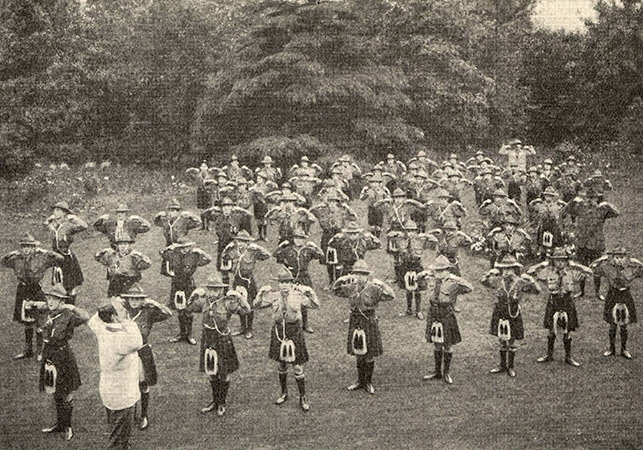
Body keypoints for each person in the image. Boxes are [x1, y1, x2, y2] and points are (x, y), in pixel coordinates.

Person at [254, 269, 320, 411]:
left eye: (287, 282)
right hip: (279, 331)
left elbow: (315, 305)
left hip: (294, 331)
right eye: (282, 282)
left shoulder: (298, 295)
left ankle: (303, 397)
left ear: (291, 283)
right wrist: (260, 293)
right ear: (278, 284)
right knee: (282, 365)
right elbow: (256, 305)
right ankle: (284, 393)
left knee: (297, 366)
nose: (284, 285)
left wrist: (309, 291)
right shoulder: (273, 296)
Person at [188, 274, 250, 416]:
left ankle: (222, 402)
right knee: (211, 372)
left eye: (216, 290)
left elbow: (246, 310)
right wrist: (193, 295)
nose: (212, 293)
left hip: (222, 339)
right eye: (210, 289)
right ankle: (215, 401)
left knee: (224, 372)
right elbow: (188, 308)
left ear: (221, 290)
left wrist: (239, 297)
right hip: (207, 339)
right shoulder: (203, 302)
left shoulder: (227, 303)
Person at [331, 260, 395, 395]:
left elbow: (391, 296)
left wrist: (382, 284)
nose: (359, 277)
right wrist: (341, 279)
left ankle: (368, 382)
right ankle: (360, 381)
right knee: (358, 353)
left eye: (363, 274)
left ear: (367, 276)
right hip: (355, 321)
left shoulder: (374, 288)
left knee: (369, 354)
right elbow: (335, 291)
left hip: (369, 321)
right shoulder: (351, 287)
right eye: (357, 274)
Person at [89, 297, 143, 450]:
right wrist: (126, 320)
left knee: (119, 433)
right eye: (121, 309)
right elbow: (137, 341)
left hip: (110, 391)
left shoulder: (102, 328)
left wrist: (110, 305)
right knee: (117, 440)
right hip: (122, 396)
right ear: (113, 317)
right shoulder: (119, 338)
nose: (125, 310)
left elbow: (94, 319)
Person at [38, 284, 90, 441]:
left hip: (63, 356)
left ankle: (68, 426)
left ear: (62, 302)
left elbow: (86, 317)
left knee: (66, 392)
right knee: (53, 389)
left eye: (55, 299)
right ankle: (60, 424)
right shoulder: (46, 312)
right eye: (49, 298)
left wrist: (72, 307)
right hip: (49, 354)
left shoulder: (69, 315)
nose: (51, 301)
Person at [526, 247, 593, 367]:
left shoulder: (572, 273)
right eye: (557, 260)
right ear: (553, 261)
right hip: (554, 301)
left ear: (567, 261)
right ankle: (549, 354)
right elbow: (530, 272)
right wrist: (543, 263)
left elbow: (589, 272)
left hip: (567, 302)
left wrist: (575, 264)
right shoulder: (548, 272)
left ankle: (568, 356)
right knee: (551, 330)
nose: (560, 263)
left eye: (563, 260)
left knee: (568, 330)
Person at [1, 233, 64, 360]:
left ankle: (40, 351)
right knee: (26, 321)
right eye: (24, 247)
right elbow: (2, 262)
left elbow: (60, 259)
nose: (26, 249)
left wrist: (46, 252)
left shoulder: (42, 257)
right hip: (23, 290)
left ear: (34, 247)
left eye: (29, 247)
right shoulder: (16, 259)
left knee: (40, 320)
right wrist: (11, 254)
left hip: (36, 289)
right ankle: (28, 350)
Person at [480, 256, 540, 377]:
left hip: (513, 312)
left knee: (512, 340)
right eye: (504, 269)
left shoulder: (520, 281)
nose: (506, 272)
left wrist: (532, 281)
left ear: (515, 269)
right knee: (502, 339)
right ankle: (502, 365)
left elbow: (537, 290)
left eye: (509, 269)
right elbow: (483, 282)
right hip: (500, 311)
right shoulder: (497, 281)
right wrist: (488, 274)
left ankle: (511, 367)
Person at [122, 284, 172, 430]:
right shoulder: (121, 312)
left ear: (143, 300)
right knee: (126, 384)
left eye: (138, 299)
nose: (134, 301)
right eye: (131, 298)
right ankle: (130, 414)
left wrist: (155, 304)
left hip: (142, 352)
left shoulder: (148, 313)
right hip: (125, 353)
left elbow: (168, 314)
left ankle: (143, 414)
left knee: (143, 384)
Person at [420, 256, 473, 384]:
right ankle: (437, 371)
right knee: (436, 343)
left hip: (446, 314)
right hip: (434, 313)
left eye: (442, 270)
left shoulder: (453, 282)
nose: (439, 273)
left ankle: (446, 372)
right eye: (437, 270)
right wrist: (426, 273)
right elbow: (417, 280)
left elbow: (469, 287)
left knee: (447, 344)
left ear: (447, 270)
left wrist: (454, 278)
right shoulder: (431, 280)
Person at [591, 246, 642, 359]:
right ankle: (611, 348)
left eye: (622, 257)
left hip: (625, 296)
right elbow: (593, 268)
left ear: (626, 258)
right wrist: (602, 259)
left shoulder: (632, 268)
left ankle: (624, 349)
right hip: (612, 296)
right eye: (617, 257)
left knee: (624, 325)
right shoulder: (607, 268)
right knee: (612, 324)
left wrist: (637, 262)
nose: (619, 260)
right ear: (613, 258)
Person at [566, 189, 619, 296]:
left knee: (597, 269)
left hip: (595, 244)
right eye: (588, 198)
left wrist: (607, 204)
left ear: (597, 199)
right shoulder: (580, 208)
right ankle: (581, 291)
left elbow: (616, 213)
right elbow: (567, 210)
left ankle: (597, 292)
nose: (590, 200)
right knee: (582, 268)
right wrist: (573, 201)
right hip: (582, 243)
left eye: (593, 198)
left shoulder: (602, 210)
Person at [160, 237, 212, 344]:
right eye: (182, 247)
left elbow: (209, 259)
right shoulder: (173, 254)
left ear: (190, 247)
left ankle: (189, 334)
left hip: (188, 285)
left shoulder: (194, 256)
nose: (185, 249)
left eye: (187, 247)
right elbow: (161, 253)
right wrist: (170, 247)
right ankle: (182, 334)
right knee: (179, 309)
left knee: (188, 309)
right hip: (176, 284)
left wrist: (201, 252)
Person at [221, 230, 270, 339]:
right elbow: (224, 256)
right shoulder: (233, 250)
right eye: (239, 241)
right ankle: (242, 327)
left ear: (248, 242)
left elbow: (267, 255)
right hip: (237, 280)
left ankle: (249, 329)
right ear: (236, 241)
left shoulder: (252, 251)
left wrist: (258, 248)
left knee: (250, 304)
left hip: (248, 281)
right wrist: (227, 248)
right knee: (239, 304)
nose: (241, 243)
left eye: (244, 241)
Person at [273, 229, 324, 333]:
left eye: (301, 238)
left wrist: (315, 246)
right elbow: (275, 255)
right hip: (292, 279)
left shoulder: (307, 250)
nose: (298, 240)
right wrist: (281, 245)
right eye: (296, 238)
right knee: (290, 300)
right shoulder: (288, 250)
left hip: (304, 278)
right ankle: (291, 322)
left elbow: (321, 256)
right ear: (293, 238)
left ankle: (305, 324)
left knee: (304, 301)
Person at [386, 219, 437, 319]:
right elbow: (389, 235)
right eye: (408, 231)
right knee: (408, 289)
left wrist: (425, 235)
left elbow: (435, 240)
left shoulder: (421, 241)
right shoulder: (400, 239)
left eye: (412, 231)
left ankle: (418, 310)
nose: (410, 233)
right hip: (405, 265)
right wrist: (398, 233)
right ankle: (409, 309)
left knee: (417, 289)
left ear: (416, 231)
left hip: (417, 266)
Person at [309, 192, 358, 285]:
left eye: (334, 202)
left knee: (340, 259)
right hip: (327, 236)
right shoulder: (322, 211)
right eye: (330, 202)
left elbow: (354, 217)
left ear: (337, 202)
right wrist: (319, 205)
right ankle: (331, 281)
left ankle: (339, 281)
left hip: (339, 236)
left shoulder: (342, 211)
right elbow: (309, 212)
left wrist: (347, 207)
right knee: (329, 260)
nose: (332, 204)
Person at [44, 201, 88, 301]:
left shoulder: (68, 226)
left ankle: (71, 306)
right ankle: (61, 305)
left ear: (64, 213)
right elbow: (45, 223)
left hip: (66, 257)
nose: (55, 212)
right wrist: (51, 218)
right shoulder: (52, 226)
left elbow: (84, 226)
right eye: (54, 210)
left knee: (70, 285)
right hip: (56, 257)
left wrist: (74, 217)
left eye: (58, 210)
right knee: (58, 284)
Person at [205, 197, 253, 278]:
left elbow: (249, 217)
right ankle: (225, 289)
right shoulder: (219, 218)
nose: (226, 209)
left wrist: (241, 210)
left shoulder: (237, 218)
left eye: (228, 206)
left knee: (237, 269)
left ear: (232, 208)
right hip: (222, 246)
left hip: (234, 246)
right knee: (224, 271)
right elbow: (205, 214)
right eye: (224, 207)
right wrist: (213, 208)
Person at [154, 198, 202, 276]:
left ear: (178, 212)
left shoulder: (183, 220)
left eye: (175, 210)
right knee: (169, 269)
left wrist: (191, 215)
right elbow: (156, 223)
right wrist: (157, 216)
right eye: (170, 210)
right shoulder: (166, 221)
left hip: (181, 245)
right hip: (169, 245)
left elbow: (198, 223)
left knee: (181, 267)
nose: (172, 213)